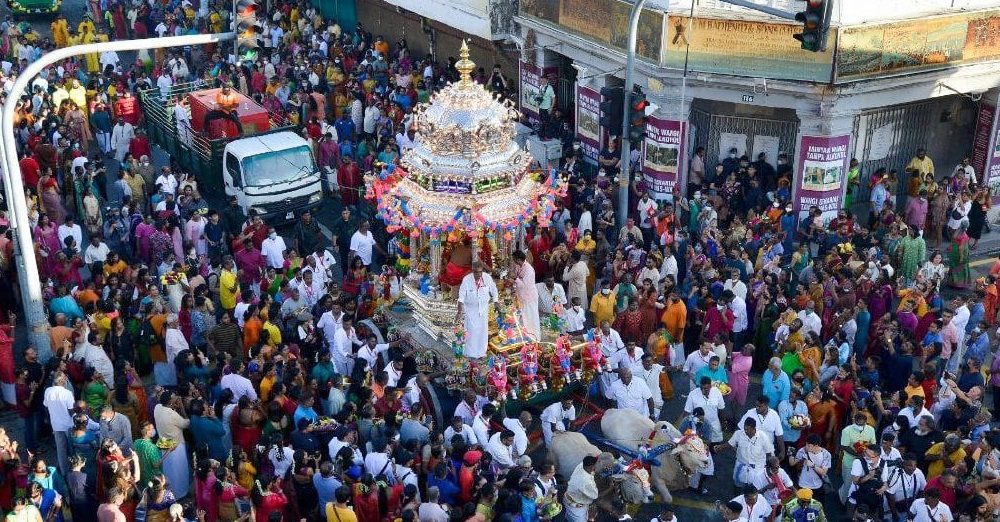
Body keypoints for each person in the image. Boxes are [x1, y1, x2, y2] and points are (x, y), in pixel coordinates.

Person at [456, 262, 499, 359]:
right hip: (471, 312)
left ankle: (481, 353)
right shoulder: (466, 280)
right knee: (471, 333)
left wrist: (496, 302)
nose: (478, 275)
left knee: (482, 332)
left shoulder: (487, 278)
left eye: (480, 272)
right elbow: (461, 297)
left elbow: (494, 290)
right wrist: (459, 312)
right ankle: (470, 354)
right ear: (472, 271)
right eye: (476, 272)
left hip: (483, 310)